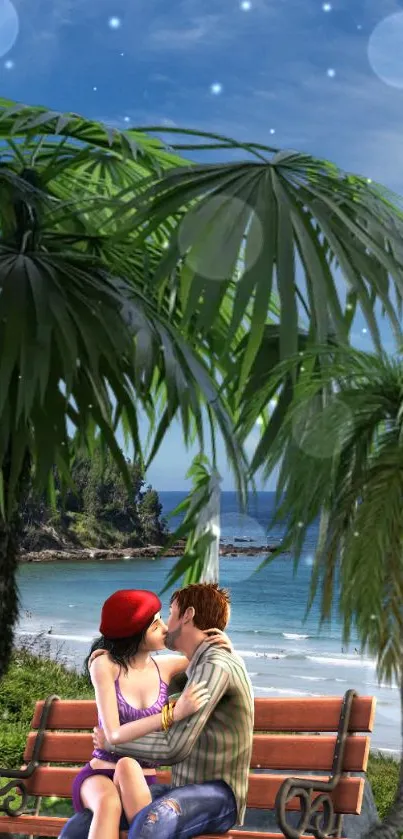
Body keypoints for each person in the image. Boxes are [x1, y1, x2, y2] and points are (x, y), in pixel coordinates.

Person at [60, 582, 254, 839]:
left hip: (143, 779)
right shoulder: (105, 664)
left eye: (166, 616)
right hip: (100, 771)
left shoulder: (168, 666)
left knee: (134, 783)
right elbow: (114, 735)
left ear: (187, 615)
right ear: (136, 634)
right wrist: (172, 715)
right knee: (107, 804)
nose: (164, 627)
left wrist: (227, 645)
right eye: (155, 624)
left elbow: (208, 656)